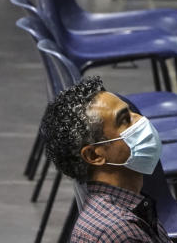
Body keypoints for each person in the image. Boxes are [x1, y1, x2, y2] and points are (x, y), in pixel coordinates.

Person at [41, 76, 169, 243]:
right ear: (94, 155)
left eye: (131, 111)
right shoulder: (121, 233)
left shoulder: (128, 211)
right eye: (125, 120)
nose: (140, 119)